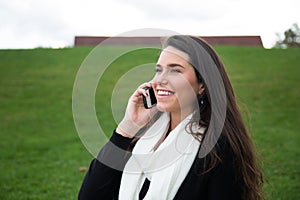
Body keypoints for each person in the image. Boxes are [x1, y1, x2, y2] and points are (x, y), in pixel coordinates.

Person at [78, 35, 264, 200]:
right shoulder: (143, 136)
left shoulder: (216, 148)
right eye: (159, 70)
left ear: (202, 85)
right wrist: (127, 128)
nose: (160, 80)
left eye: (175, 70)